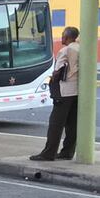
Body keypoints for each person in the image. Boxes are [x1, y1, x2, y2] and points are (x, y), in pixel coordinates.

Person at [31, 26, 81, 161]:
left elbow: (58, 70)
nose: (62, 37)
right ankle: (68, 152)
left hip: (64, 92)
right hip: (77, 91)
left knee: (55, 124)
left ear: (67, 37)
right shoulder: (80, 48)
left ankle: (48, 153)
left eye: (63, 35)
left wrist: (52, 78)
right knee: (72, 124)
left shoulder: (65, 50)